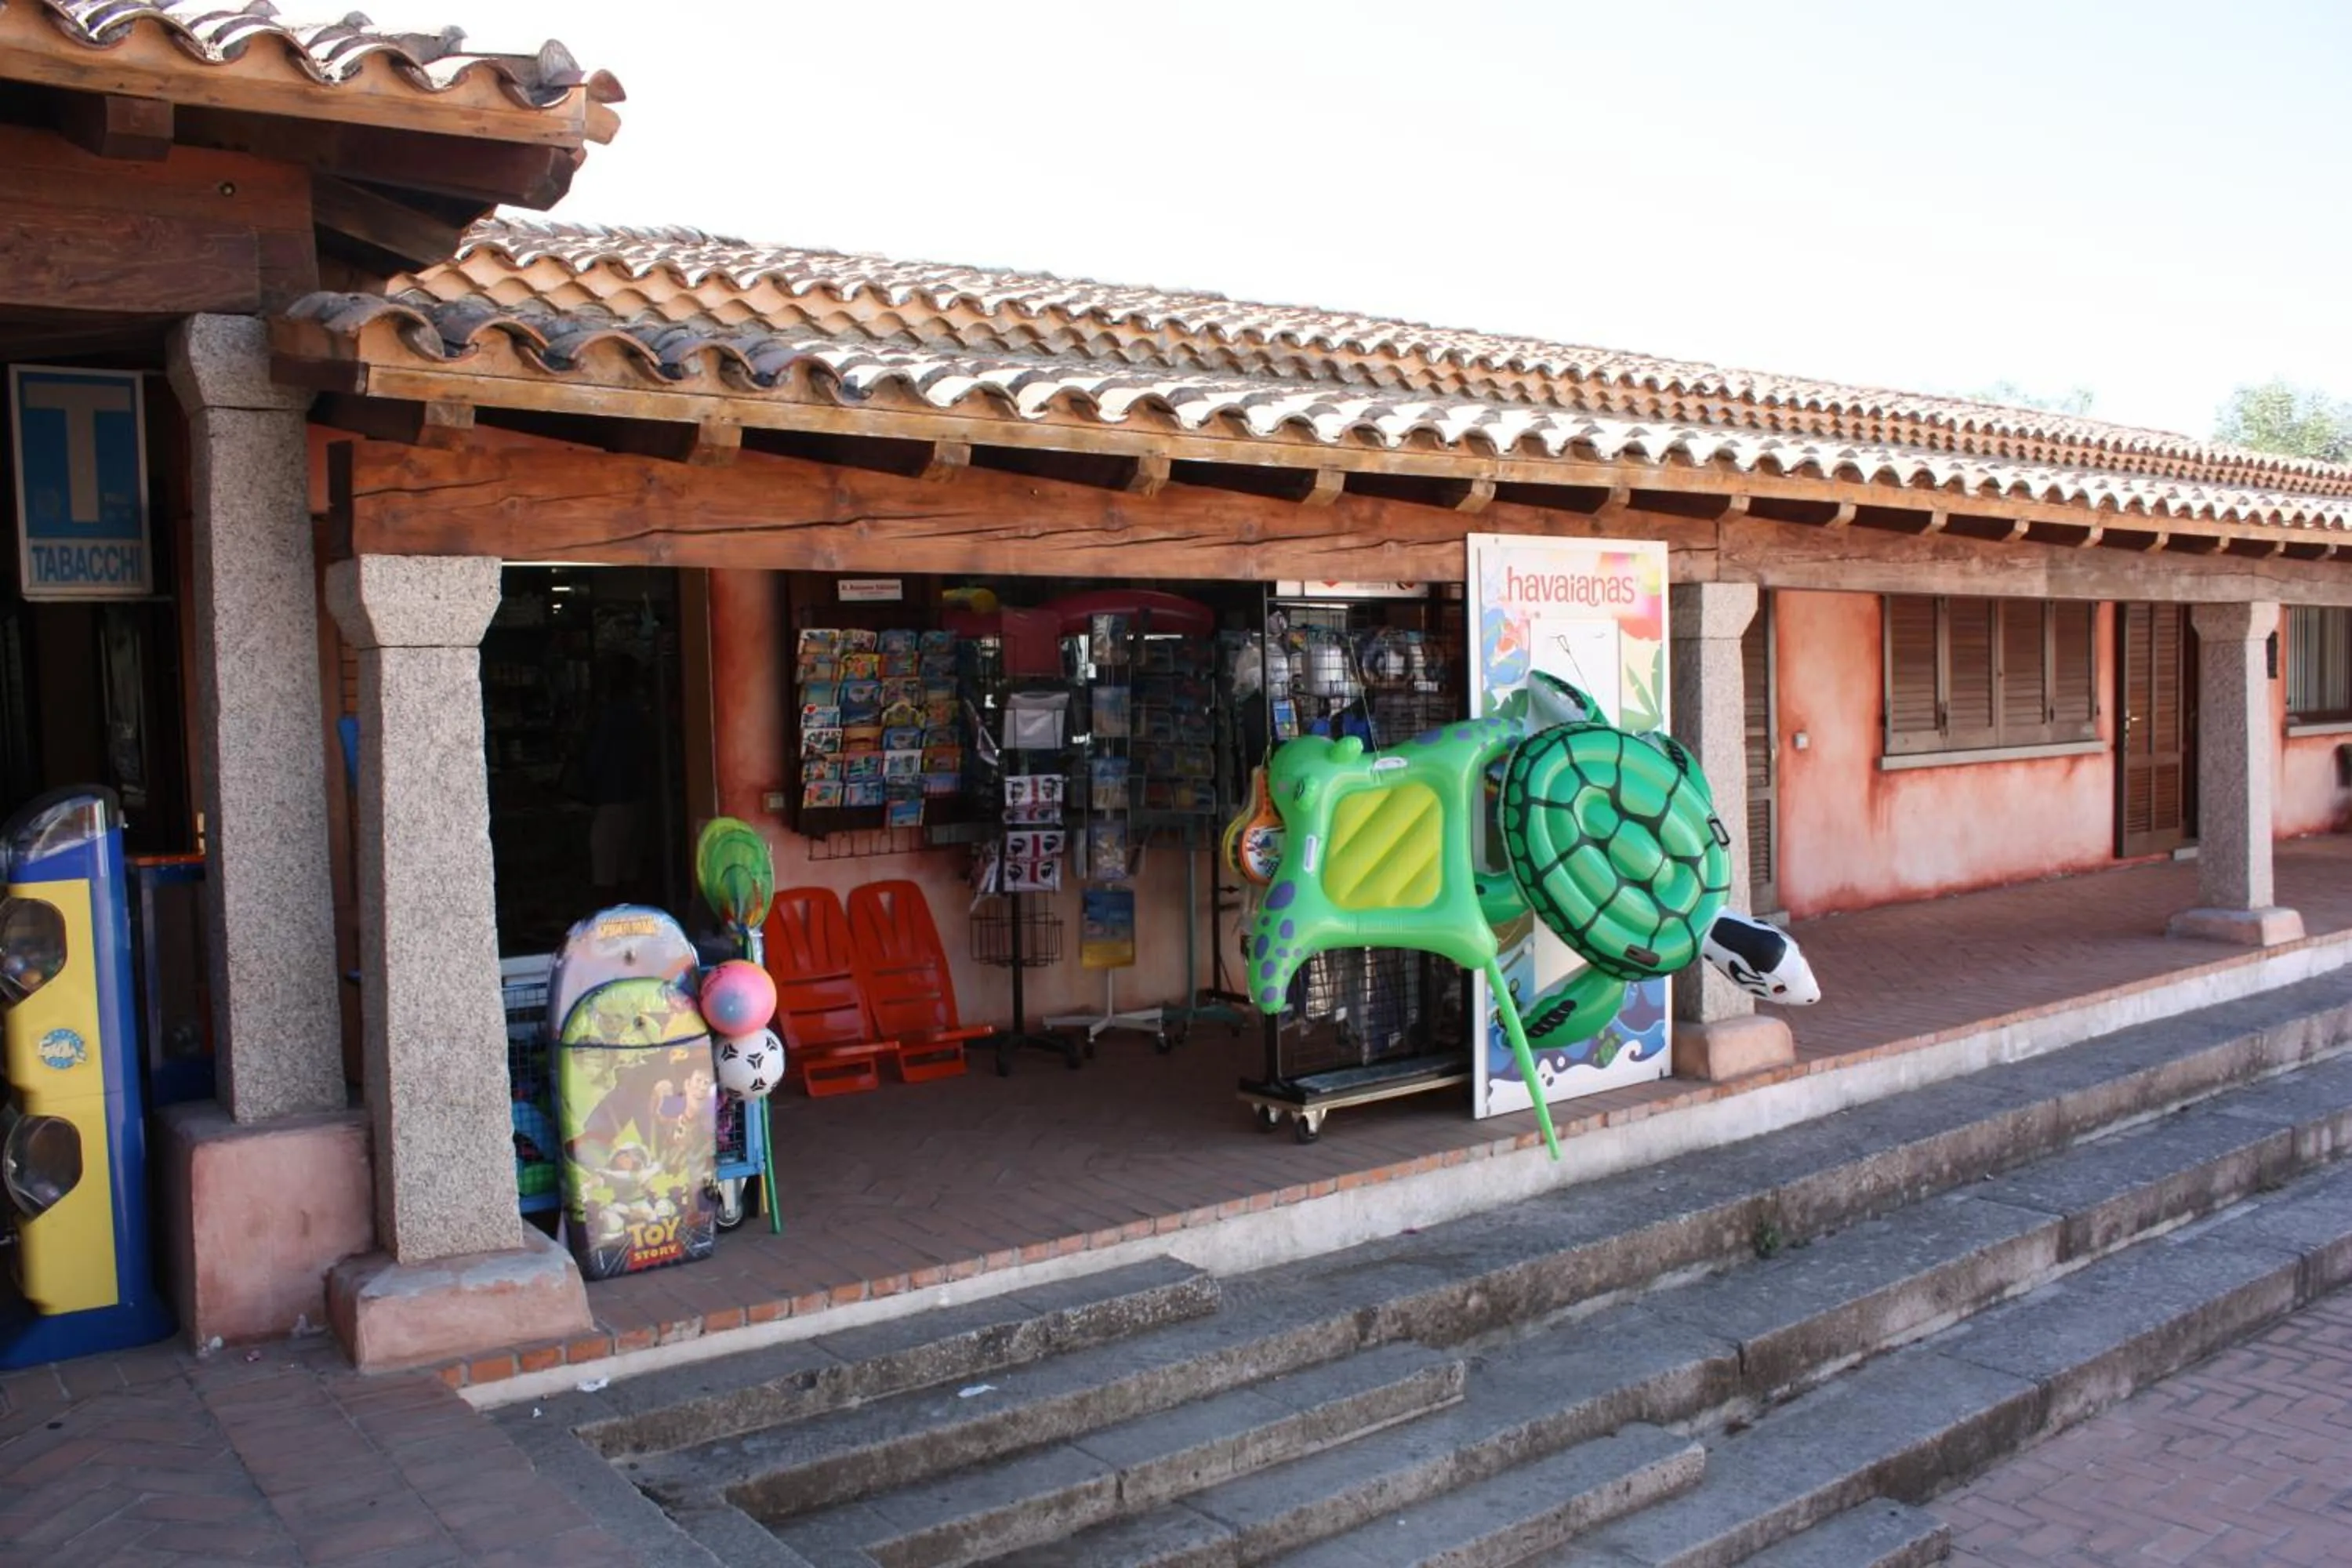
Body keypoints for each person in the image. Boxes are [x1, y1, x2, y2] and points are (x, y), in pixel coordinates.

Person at [583, 655, 655, 902]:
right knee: (629, 874)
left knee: (605, 877)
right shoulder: (640, 716)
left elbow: (595, 761)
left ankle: (605, 932)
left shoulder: (609, 717)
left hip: (612, 800)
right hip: (637, 798)